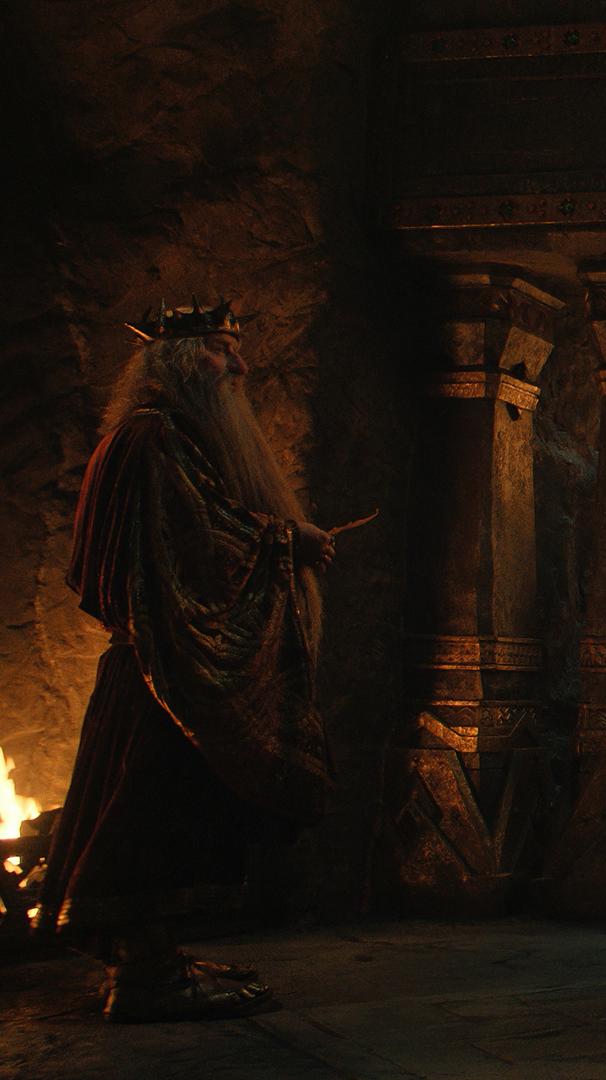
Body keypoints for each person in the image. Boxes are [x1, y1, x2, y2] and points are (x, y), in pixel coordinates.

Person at [36, 300, 335, 1022]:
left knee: (159, 812)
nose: (239, 365)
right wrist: (284, 543)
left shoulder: (155, 436)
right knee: (148, 813)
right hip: (161, 670)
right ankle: (146, 976)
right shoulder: (154, 439)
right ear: (176, 359)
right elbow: (196, 540)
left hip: (153, 665)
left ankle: (155, 956)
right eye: (221, 349)